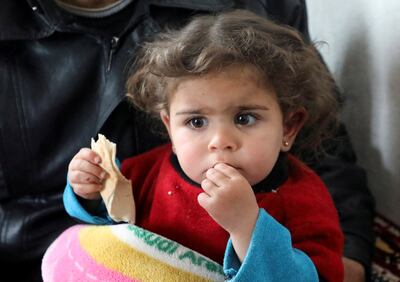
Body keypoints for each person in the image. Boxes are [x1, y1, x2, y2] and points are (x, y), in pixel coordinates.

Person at [0, 0, 374, 281]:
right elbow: (115, 220)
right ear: (168, 128)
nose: (220, 141)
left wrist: (248, 230)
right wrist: (89, 192)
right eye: (196, 122)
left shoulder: (303, 201)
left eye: (245, 118)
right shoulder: (148, 172)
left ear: (289, 128)